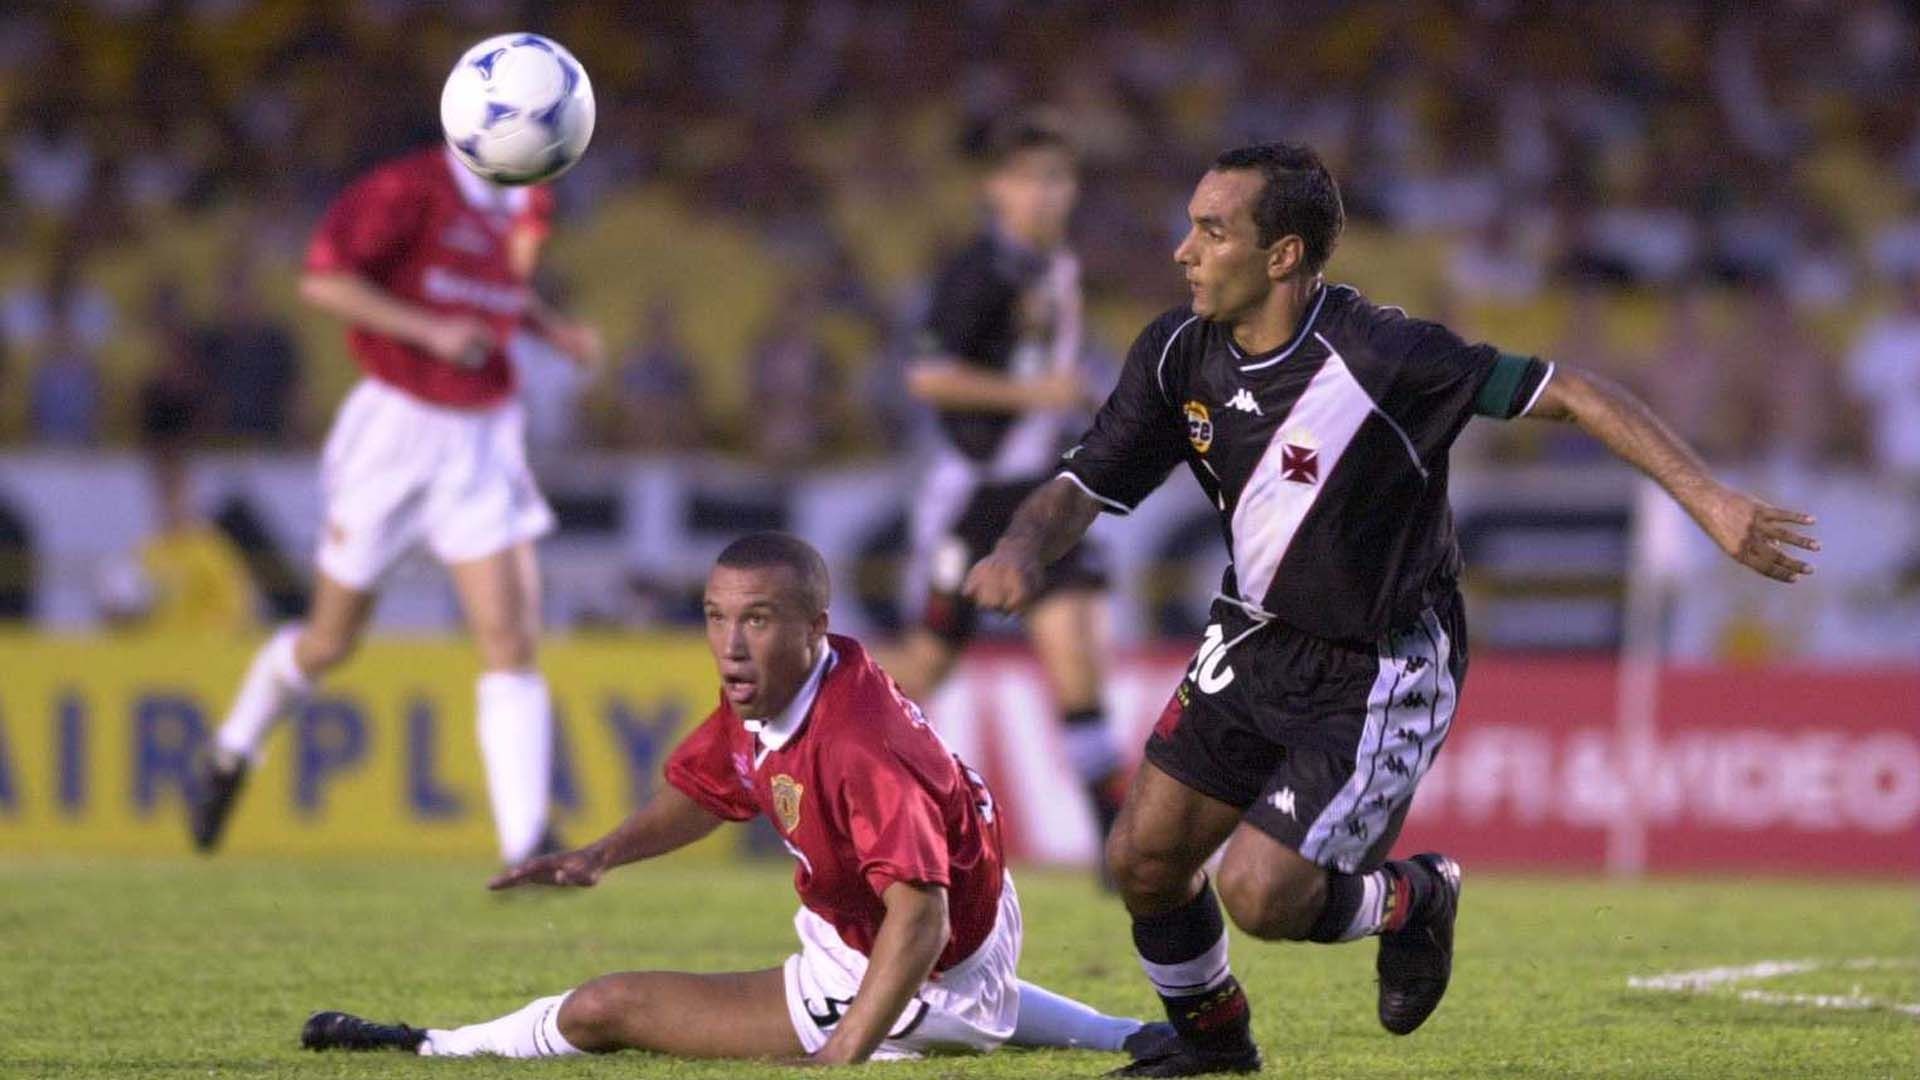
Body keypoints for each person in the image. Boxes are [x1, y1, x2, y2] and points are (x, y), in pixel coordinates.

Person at [965, 143, 1819, 1077]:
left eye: (1212, 230)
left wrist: (1712, 502)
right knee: (1142, 859)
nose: (1184, 250)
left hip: (1382, 662)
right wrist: (1019, 547)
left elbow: (1569, 390)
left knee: (1262, 893)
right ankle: (1214, 1049)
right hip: (1252, 636)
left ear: (1283, 255)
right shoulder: (1178, 351)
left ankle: (1416, 897)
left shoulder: (1386, 354)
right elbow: (1082, 484)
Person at [301, 532, 1172, 1067]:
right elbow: (714, 787)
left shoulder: (858, 743)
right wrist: (602, 854)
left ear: (813, 626)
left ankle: (424, 1044)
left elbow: (921, 921)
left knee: (606, 1009)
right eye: (717, 616)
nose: (729, 643)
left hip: (909, 963)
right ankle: (1123, 1033)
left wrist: (837, 1056)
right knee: (970, 997)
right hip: (941, 929)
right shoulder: (794, 681)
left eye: (755, 619)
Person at [187, 144, 603, 866]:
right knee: (330, 641)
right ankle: (233, 750)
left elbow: (495, 287)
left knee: (510, 637)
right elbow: (325, 283)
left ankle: (526, 843)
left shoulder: (528, 199)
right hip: (398, 429)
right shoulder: (407, 189)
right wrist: (429, 331)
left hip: (481, 436)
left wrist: (548, 328)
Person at [884, 114, 1128, 870]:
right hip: (975, 494)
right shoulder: (979, 272)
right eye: (1030, 179)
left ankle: (1118, 847)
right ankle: (815, 762)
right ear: (996, 189)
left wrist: (1068, 395)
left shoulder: (1055, 266)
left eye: (1058, 179)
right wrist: (1036, 392)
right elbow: (927, 375)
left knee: (1077, 655)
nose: (1047, 194)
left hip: (1041, 490)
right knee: (927, 663)